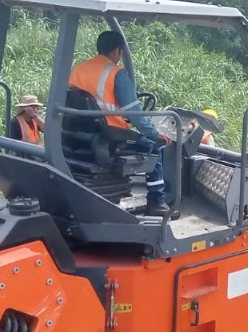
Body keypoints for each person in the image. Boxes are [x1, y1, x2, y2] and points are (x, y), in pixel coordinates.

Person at [70, 29, 173, 218]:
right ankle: (157, 202)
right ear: (117, 51)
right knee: (154, 147)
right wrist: (154, 133)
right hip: (109, 134)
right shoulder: (117, 74)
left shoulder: (79, 69)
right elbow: (134, 113)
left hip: (81, 134)